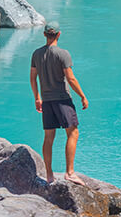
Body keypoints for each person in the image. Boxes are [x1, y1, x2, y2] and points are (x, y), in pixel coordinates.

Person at [30, 21, 88, 185]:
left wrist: (37, 97)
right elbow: (70, 78)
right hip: (62, 99)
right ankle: (69, 172)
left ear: (44, 35)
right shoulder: (63, 54)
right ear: (59, 34)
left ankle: (49, 175)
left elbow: (33, 78)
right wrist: (83, 96)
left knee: (49, 136)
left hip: (47, 100)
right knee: (73, 133)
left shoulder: (36, 54)